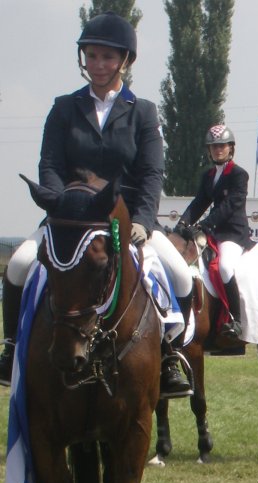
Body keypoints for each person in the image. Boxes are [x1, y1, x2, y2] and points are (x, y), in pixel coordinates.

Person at [0, 12, 192, 397]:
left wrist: (142, 221)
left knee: (180, 276)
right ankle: (12, 349)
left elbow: (152, 172)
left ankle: (169, 357)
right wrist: (60, 205)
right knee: (19, 264)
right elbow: (50, 165)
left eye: (107, 57)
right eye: (91, 55)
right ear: (83, 59)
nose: (98, 64)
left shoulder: (144, 112)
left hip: (126, 221)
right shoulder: (63, 108)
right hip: (70, 219)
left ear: (125, 61)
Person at [177, 124, 252, 340]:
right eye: (213, 147)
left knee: (226, 268)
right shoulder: (209, 176)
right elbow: (199, 202)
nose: (218, 150)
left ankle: (236, 320)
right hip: (214, 233)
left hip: (233, 233)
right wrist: (183, 223)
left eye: (222, 146)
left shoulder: (239, 175)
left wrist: (205, 224)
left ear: (231, 148)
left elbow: (229, 206)